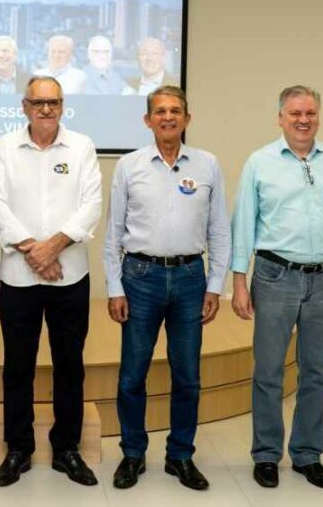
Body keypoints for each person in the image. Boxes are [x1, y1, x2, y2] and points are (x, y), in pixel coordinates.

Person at [231, 85, 323, 491]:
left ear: (318, 117)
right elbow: (243, 223)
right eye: (295, 114)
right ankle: (266, 454)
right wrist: (239, 281)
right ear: (280, 118)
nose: (303, 120)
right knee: (269, 371)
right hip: (275, 276)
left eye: (310, 113)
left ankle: (308, 454)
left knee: (316, 372)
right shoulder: (260, 162)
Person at [103, 86, 230, 490]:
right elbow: (113, 233)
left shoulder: (208, 164)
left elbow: (219, 230)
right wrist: (114, 287)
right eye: (160, 111)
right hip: (140, 278)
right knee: (132, 374)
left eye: (176, 110)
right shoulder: (129, 165)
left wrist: (215, 285)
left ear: (187, 119)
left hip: (191, 279)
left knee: (187, 375)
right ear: (148, 120)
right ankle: (133, 454)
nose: (168, 117)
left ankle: (180, 456)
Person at [0, 76, 102, 487]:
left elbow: (92, 204)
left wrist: (51, 247)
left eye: (53, 102)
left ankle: (66, 448)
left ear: (63, 105)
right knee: (18, 366)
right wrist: (34, 251)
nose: (46, 109)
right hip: (18, 278)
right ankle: (18, 449)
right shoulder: (4, 147)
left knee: (70, 365)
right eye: (38, 102)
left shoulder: (82, 147)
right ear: (24, 106)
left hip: (70, 276)